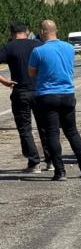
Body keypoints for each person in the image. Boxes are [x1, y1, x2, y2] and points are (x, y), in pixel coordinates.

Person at [27, 20, 81, 181]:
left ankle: (60, 171)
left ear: (42, 32)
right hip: (67, 94)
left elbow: (31, 73)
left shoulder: (38, 51)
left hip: (47, 95)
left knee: (52, 134)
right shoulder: (69, 48)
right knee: (72, 131)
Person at [0, 22, 48, 172]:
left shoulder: (9, 47)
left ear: (12, 33)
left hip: (20, 91)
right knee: (45, 126)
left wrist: (4, 80)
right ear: (27, 32)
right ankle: (51, 160)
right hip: (40, 90)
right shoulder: (38, 44)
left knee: (25, 128)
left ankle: (34, 162)